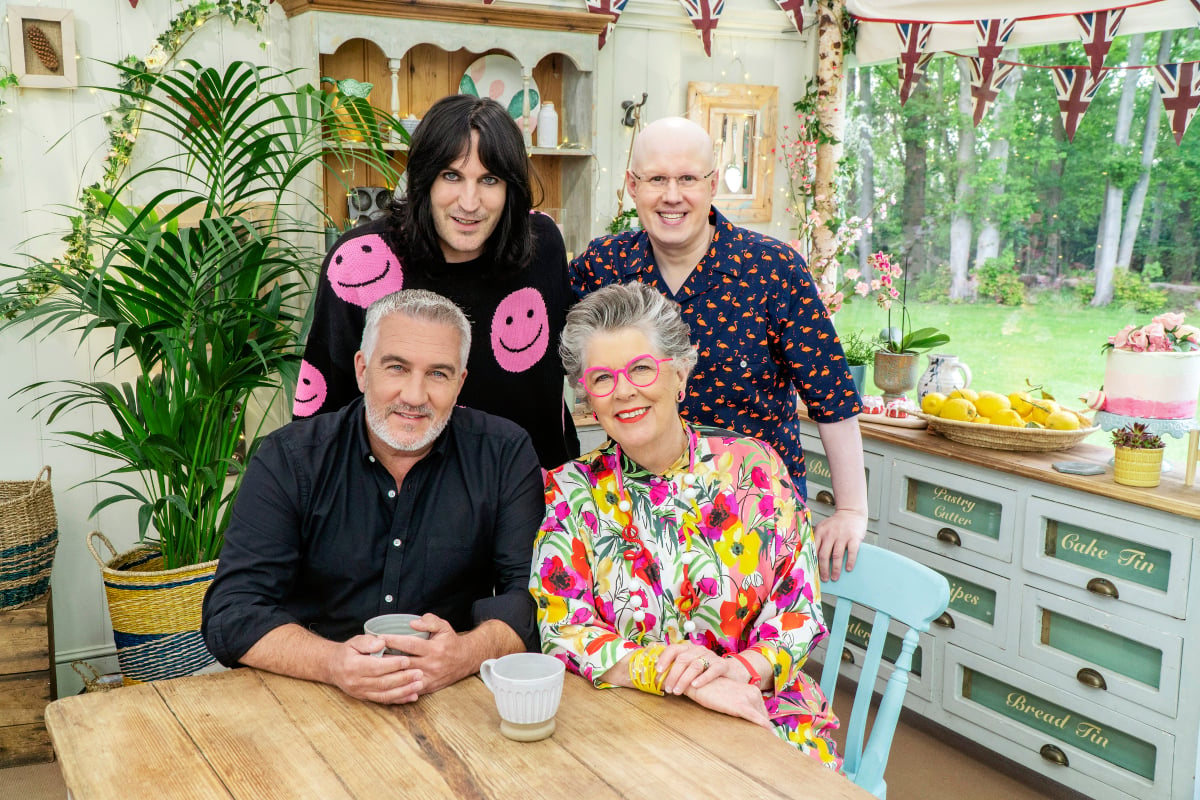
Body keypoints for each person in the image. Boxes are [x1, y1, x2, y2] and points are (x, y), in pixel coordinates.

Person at [530, 283, 841, 767]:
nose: (625, 391)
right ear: (588, 398)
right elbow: (562, 627)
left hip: (760, 708)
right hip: (632, 719)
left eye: (641, 369)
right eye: (602, 378)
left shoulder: (753, 468)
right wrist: (675, 676)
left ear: (680, 373)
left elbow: (798, 609)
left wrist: (735, 674)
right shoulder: (571, 491)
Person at [203, 290, 544, 705]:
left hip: (450, 696)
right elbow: (232, 611)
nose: (415, 396)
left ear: (460, 383)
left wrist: (465, 654)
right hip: (304, 693)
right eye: (397, 367)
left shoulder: (504, 453)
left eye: (438, 374)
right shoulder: (289, 458)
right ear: (363, 370)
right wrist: (333, 663)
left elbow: (532, 598)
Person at [570, 117, 866, 579]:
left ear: (711, 184)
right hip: (639, 521)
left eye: (687, 178)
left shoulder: (773, 269)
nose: (672, 195)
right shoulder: (604, 265)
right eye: (656, 180)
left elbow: (833, 396)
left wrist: (851, 509)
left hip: (757, 516)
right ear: (632, 186)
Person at [296, 94, 578, 468]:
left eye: (489, 179)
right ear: (423, 178)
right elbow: (324, 413)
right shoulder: (360, 263)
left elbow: (556, 382)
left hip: (531, 494)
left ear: (510, 187)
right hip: (397, 506)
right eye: (451, 175)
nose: (469, 201)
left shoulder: (541, 244)